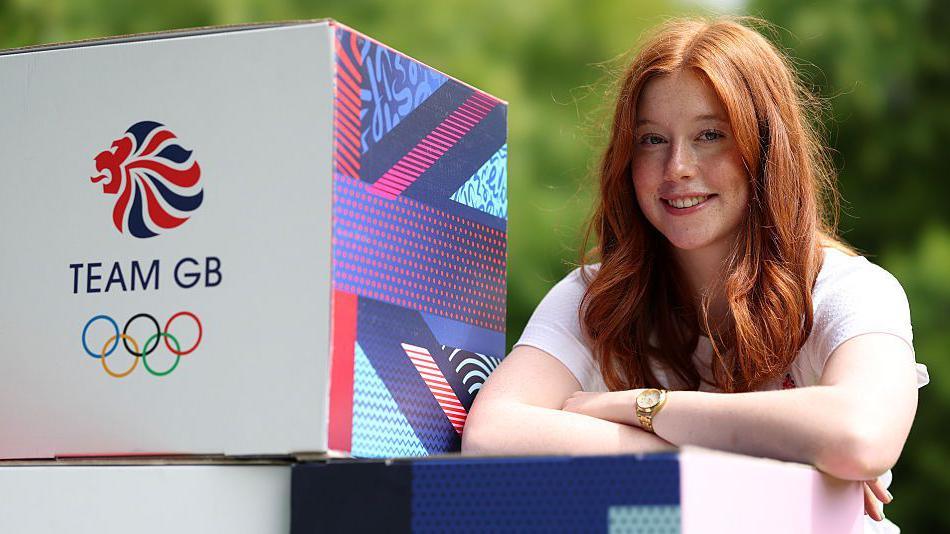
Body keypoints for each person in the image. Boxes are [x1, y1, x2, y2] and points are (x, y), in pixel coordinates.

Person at [461, 16, 930, 533]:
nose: (678, 166)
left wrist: (639, 408)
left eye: (710, 135)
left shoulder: (851, 290)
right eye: (652, 140)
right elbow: (492, 432)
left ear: (767, 150)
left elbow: (860, 434)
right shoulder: (595, 297)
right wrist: (782, 459)